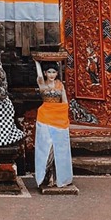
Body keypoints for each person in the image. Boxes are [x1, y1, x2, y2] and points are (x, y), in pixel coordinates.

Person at [34, 60, 73, 189]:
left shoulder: (60, 85)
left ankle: (58, 178)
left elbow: (65, 102)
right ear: (45, 73)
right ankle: (46, 177)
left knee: (60, 149)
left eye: (54, 72)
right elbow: (39, 76)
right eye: (49, 72)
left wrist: (64, 116)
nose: (51, 74)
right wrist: (37, 63)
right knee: (46, 147)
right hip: (45, 117)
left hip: (59, 118)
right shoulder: (42, 84)